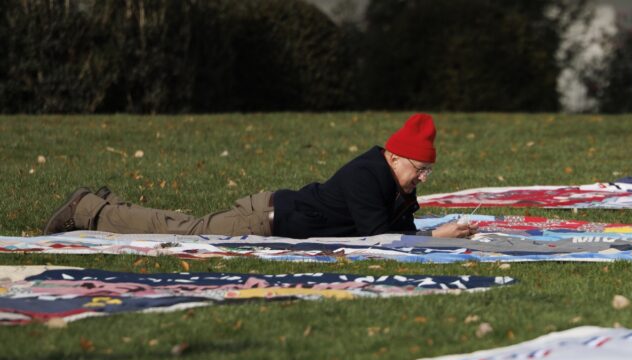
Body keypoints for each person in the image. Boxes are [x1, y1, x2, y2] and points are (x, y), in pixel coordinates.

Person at [43, 113, 476, 239]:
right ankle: (89, 210)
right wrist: (435, 238)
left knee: (181, 224)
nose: (423, 177)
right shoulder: (369, 175)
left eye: (428, 171)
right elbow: (378, 236)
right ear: (396, 157)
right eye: (420, 169)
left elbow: (398, 227)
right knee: (183, 230)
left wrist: (430, 232)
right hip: (267, 219)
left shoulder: (389, 179)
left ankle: (110, 205)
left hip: (276, 213)